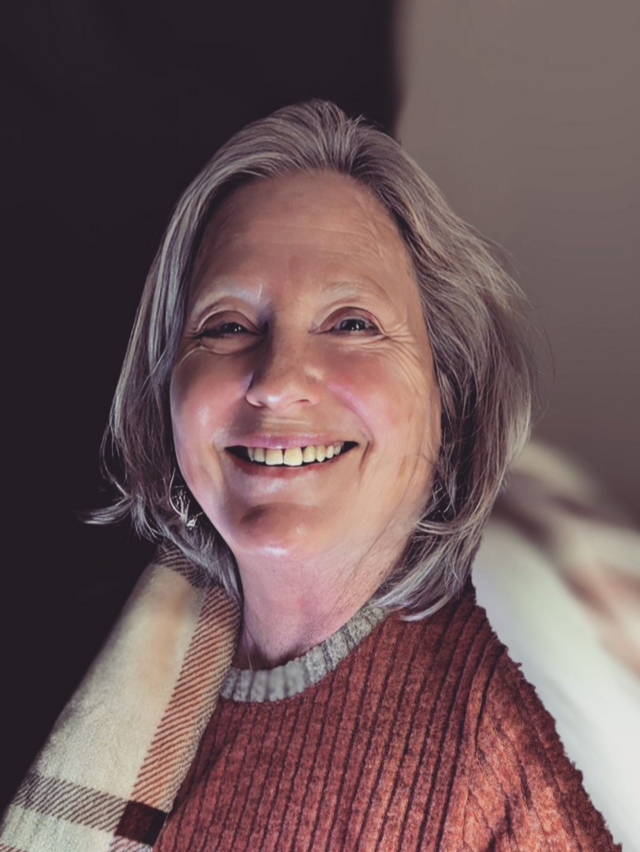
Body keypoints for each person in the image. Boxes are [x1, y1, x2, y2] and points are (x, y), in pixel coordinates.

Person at [0, 99, 622, 851]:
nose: (278, 381)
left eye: (352, 323)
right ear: (165, 388)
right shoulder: (82, 679)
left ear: (448, 391)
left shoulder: (511, 749)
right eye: (227, 325)